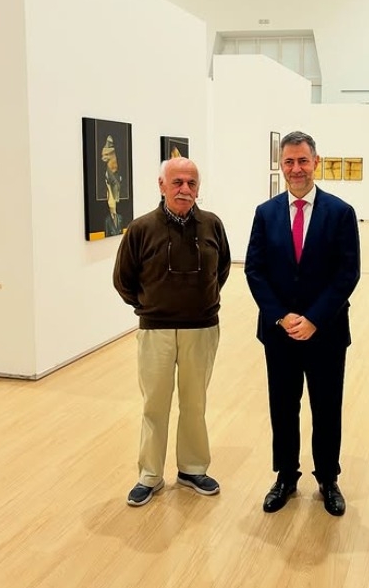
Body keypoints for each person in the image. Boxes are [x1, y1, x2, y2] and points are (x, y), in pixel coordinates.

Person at [245, 131, 361, 516]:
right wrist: (280, 316)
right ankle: (285, 476)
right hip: (279, 334)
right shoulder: (265, 213)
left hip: (326, 333)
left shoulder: (340, 213)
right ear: (282, 165)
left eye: (303, 161)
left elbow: (347, 273)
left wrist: (314, 318)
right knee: (283, 407)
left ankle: (328, 478)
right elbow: (255, 270)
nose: (296, 168)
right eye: (289, 162)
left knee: (326, 409)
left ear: (316, 162)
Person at [113, 157, 231, 507]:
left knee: (195, 403)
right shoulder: (141, 228)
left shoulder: (212, 225)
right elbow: (123, 280)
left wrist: (202, 302)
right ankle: (150, 475)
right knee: (155, 405)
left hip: (202, 328)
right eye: (177, 182)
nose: (184, 189)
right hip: (156, 331)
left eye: (191, 183)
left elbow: (222, 269)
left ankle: (192, 469)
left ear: (198, 187)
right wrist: (150, 306)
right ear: (161, 185)